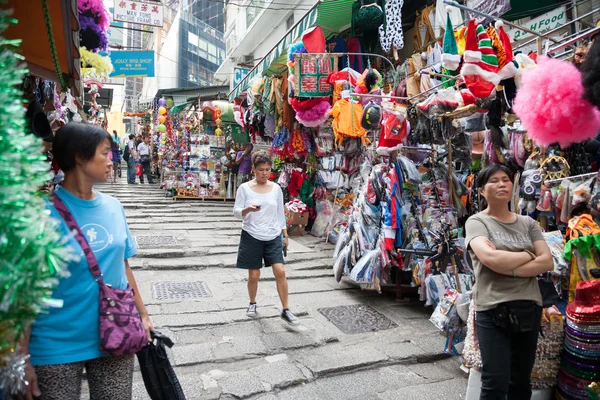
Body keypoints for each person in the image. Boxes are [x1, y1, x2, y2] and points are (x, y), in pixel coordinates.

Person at [22, 122, 153, 400]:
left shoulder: (113, 207)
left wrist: (142, 314)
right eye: (105, 153)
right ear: (80, 157)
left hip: (118, 332)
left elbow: (123, 265)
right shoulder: (40, 215)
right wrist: (21, 356)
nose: (111, 160)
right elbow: (26, 289)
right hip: (55, 344)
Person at [465, 165, 553, 400]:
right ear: (482, 191)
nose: (502, 184)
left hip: (528, 307)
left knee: (521, 381)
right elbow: (490, 258)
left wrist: (508, 266)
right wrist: (527, 255)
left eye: (506, 179)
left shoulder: (528, 223)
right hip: (492, 308)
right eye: (494, 181)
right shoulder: (476, 222)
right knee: (495, 380)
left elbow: (547, 262)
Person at [233, 150, 299, 325]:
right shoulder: (244, 188)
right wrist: (248, 210)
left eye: (267, 169)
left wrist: (285, 234)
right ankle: (252, 303)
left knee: (280, 271)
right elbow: (236, 212)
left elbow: (279, 212)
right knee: (254, 275)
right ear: (253, 169)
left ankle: (285, 309)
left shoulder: (276, 188)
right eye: (261, 169)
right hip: (251, 235)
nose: (264, 173)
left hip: (272, 235)